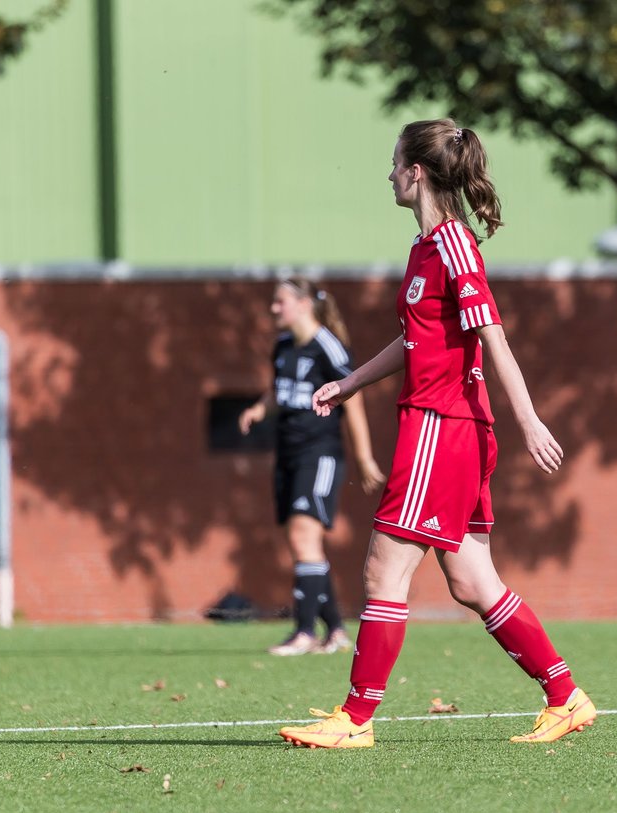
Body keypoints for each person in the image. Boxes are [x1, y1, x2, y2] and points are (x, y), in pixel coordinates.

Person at [279, 119, 595, 748]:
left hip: (443, 425)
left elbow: (491, 336)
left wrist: (529, 418)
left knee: (382, 573)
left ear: (416, 172)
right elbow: (416, 339)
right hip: (445, 424)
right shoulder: (425, 250)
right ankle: (567, 697)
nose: (389, 174)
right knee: (473, 581)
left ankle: (356, 718)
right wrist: (350, 384)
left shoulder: (453, 246)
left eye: (395, 163)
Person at [239, 280, 386, 655]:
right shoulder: (284, 346)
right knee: (301, 542)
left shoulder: (328, 346)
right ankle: (335, 630)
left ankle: (304, 632)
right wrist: (260, 407)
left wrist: (365, 456)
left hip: (319, 454)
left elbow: (352, 397)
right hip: (287, 454)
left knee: (305, 537)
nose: (274, 309)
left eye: (280, 302)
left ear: (304, 304)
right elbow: (280, 389)